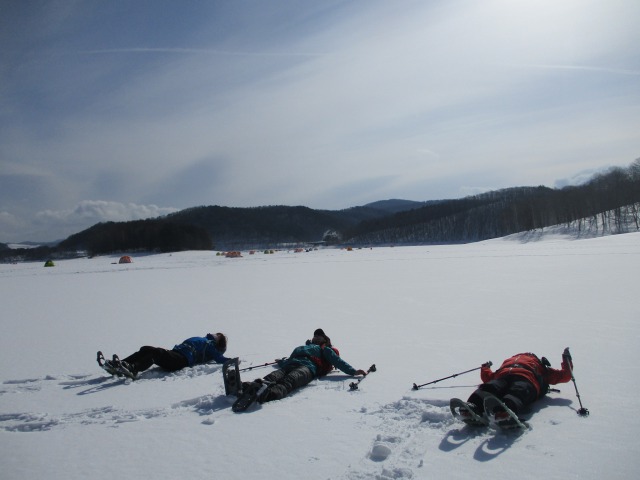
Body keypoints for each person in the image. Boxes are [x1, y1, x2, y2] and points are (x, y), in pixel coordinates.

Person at [232, 329, 366, 411]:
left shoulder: (324, 349)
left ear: (325, 340)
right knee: (272, 376)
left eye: (320, 336)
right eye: (315, 336)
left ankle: (267, 394)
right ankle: (252, 387)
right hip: (290, 364)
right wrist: (282, 362)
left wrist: (353, 371)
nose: (316, 337)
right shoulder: (304, 347)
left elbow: (337, 361)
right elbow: (292, 357)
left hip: (307, 368)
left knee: (289, 381)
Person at [462, 348, 573, 427]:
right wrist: (485, 368)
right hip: (504, 375)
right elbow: (488, 377)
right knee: (490, 387)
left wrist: (566, 359)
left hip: (527, 378)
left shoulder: (541, 367)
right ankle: (473, 406)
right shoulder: (508, 362)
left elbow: (565, 376)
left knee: (519, 390)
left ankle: (505, 409)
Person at [101, 333, 229, 379]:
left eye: (218, 336)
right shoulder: (205, 340)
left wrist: (233, 361)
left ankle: (133, 368)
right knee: (147, 348)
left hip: (181, 360)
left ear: (218, 342)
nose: (215, 335)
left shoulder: (211, 346)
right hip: (177, 354)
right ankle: (121, 364)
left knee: (156, 354)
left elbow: (219, 359)